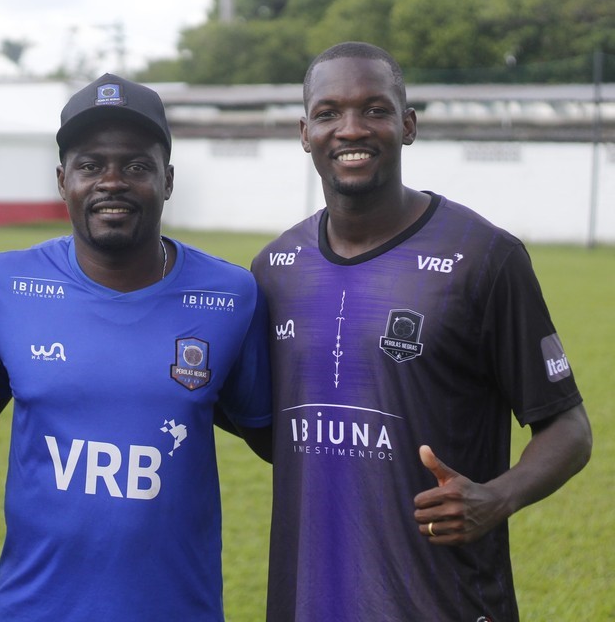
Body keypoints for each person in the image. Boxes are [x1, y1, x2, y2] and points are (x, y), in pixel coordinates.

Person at [251, 41, 592, 621]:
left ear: (407, 125)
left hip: (445, 603)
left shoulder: (484, 257)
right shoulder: (274, 270)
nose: (351, 129)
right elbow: (269, 428)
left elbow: (569, 426)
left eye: (375, 109)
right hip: (307, 601)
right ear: (304, 131)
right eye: (329, 112)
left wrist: (496, 498)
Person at [0, 73, 272, 621]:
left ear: (168, 179)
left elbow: (280, 441)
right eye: (90, 165)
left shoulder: (231, 296)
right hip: (33, 610)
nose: (112, 181)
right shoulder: (8, 284)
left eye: (136, 166)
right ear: (63, 180)